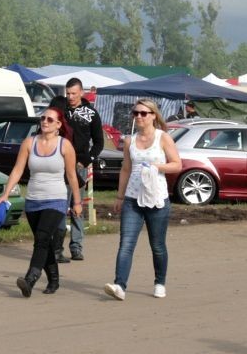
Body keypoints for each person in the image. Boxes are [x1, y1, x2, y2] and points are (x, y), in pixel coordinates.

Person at [0, 107, 82, 297]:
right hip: (33, 200)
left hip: (56, 199)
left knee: (42, 238)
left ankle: (30, 279)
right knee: (44, 242)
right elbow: (18, 170)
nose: (45, 122)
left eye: (50, 119)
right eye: (43, 118)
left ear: (58, 124)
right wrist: (5, 194)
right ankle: (54, 279)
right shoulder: (29, 142)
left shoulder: (65, 145)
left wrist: (77, 202)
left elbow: (72, 176)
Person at [104, 98, 181, 301]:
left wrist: (157, 167)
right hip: (132, 199)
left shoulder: (163, 138)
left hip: (157, 199)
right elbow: (126, 169)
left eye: (143, 113)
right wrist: (120, 196)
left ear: (153, 116)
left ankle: (160, 282)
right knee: (126, 243)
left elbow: (177, 164)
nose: (138, 116)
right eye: (135, 113)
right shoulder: (130, 141)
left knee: (157, 245)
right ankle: (119, 285)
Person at [49, 78, 104, 262]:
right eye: (68, 93)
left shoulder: (91, 113)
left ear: (81, 92)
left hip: (79, 166)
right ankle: (57, 247)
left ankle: (76, 247)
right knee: (60, 206)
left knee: (77, 206)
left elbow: (99, 142)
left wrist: (86, 160)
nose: (71, 97)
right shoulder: (61, 110)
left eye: (74, 93)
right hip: (60, 165)